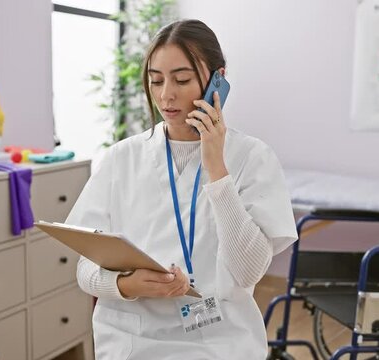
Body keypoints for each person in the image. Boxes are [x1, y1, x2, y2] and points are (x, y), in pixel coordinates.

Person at [66, 19, 297, 359]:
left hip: (221, 342)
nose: (165, 95)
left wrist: (217, 168)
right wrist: (125, 285)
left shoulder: (252, 157)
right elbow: (85, 269)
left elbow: (249, 271)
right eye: (155, 80)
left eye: (182, 79)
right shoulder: (121, 159)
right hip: (134, 341)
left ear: (218, 78)